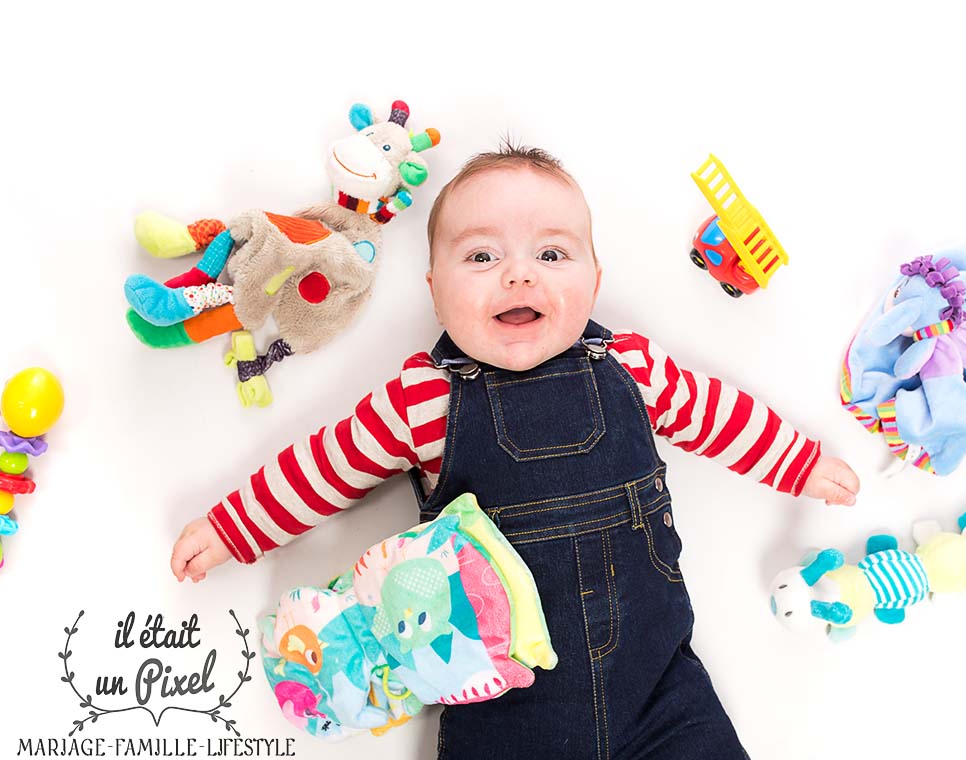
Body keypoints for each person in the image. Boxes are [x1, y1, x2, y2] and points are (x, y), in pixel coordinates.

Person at [170, 143, 860, 758]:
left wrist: (797, 462)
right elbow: (322, 467)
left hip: (661, 695)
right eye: (481, 256)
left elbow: (719, 416)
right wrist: (236, 526)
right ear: (436, 293)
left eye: (552, 254)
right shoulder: (423, 399)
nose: (519, 275)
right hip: (505, 714)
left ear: (594, 280)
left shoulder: (634, 369)